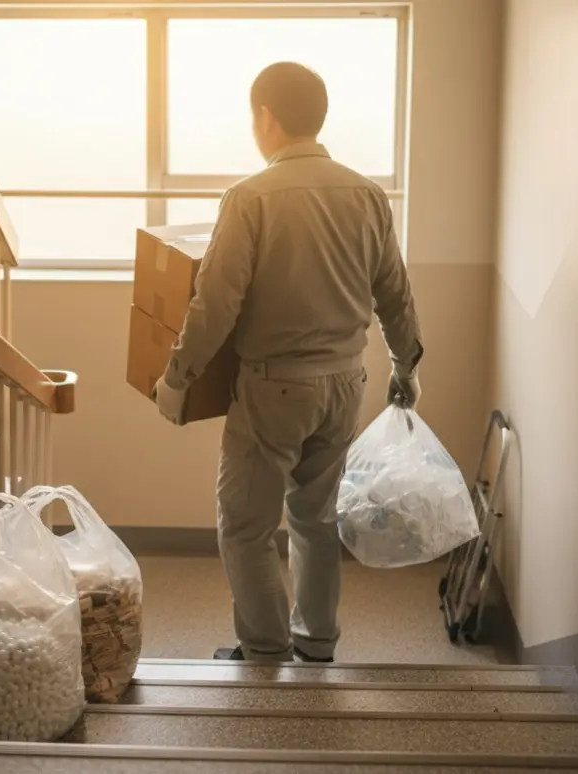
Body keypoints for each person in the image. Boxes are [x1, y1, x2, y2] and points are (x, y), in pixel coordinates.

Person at [151, 62, 424, 662]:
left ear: (266, 117)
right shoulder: (367, 193)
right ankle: (318, 642)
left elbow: (215, 302)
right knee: (317, 518)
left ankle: (267, 650)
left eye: (255, 116)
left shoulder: (250, 198)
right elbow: (394, 293)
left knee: (245, 527)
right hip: (346, 382)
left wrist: (177, 377)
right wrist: (407, 365)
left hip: (274, 389)